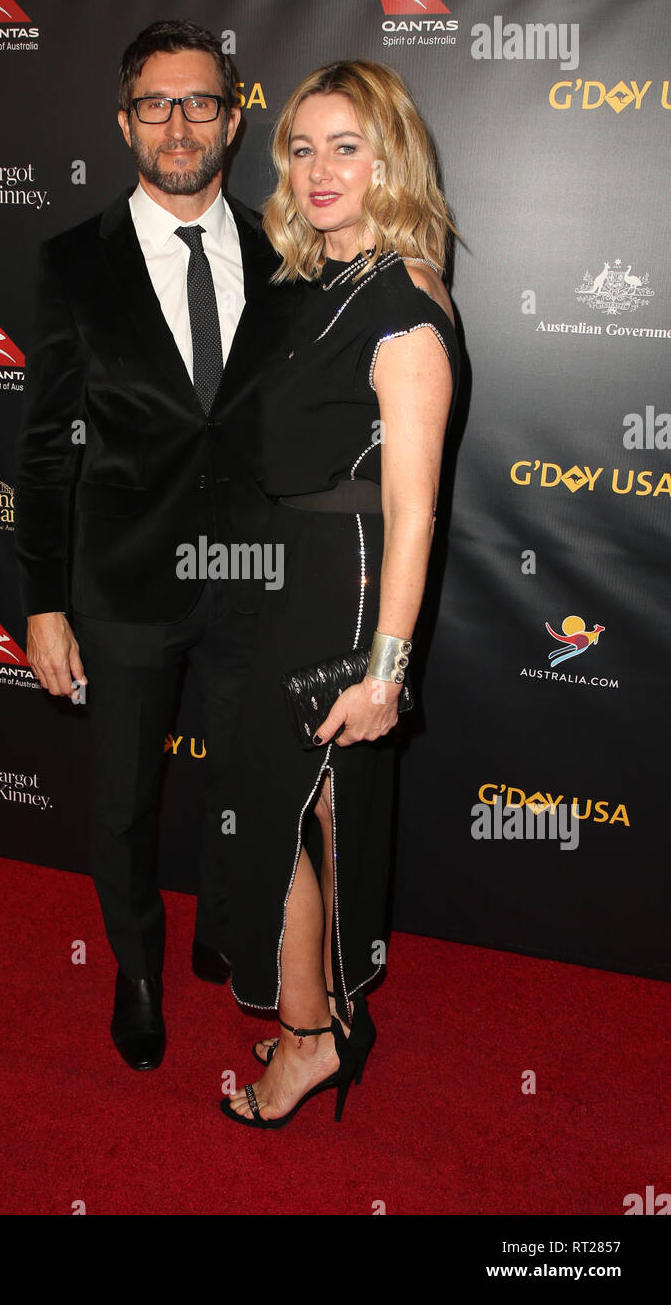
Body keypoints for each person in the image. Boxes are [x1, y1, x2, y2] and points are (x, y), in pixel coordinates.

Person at [14, 20, 287, 1071]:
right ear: (123, 120)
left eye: (202, 102)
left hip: (258, 581)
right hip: (125, 583)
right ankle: (134, 970)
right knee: (123, 799)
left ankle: (224, 925)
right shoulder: (72, 264)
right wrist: (42, 604)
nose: (180, 125)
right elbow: (43, 450)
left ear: (234, 114)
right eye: (157, 105)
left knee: (245, 778)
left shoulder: (283, 252)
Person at [220, 60, 460, 1127]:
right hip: (288, 571)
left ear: (389, 157)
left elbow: (415, 510)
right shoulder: (324, 278)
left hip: (347, 586)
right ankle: (318, 1013)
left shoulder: (403, 305)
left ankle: (309, 1042)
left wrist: (387, 672)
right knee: (307, 805)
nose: (320, 170)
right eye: (303, 148)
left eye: (346, 147)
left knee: (265, 818)